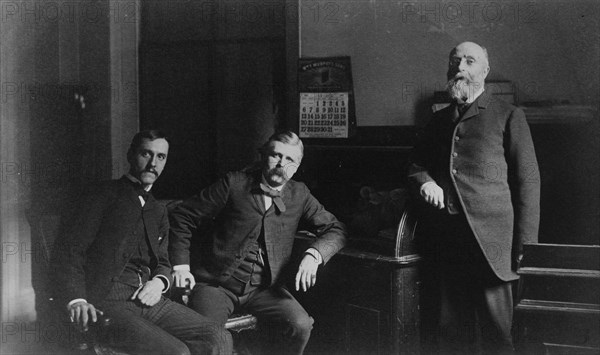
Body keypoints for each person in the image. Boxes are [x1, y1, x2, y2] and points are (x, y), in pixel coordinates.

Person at [408, 42, 540, 354]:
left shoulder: (508, 115)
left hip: (495, 248)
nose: (461, 68)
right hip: (449, 244)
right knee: (452, 334)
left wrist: (525, 247)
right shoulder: (439, 121)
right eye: (455, 62)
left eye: (470, 61)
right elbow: (415, 166)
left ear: (485, 71)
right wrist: (426, 182)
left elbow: (528, 183)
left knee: (498, 336)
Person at [51, 130, 232, 355]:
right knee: (177, 352)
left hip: (151, 300)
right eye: (146, 154)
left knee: (219, 337)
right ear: (131, 155)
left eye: (161, 157)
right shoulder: (101, 195)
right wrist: (77, 300)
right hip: (108, 302)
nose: (153, 163)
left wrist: (159, 283)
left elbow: (164, 262)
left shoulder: (158, 209)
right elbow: (69, 253)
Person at [169, 131, 347, 355]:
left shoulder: (300, 194)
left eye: (289, 159)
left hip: (265, 289)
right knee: (209, 338)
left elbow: (336, 229)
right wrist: (181, 267)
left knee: (300, 325)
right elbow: (182, 216)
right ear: (264, 156)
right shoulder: (233, 184)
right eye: (275, 155)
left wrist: (314, 254)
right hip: (217, 285)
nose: (281, 163)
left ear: (297, 165)